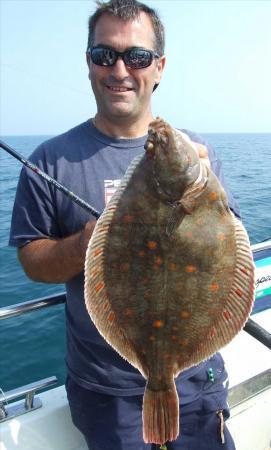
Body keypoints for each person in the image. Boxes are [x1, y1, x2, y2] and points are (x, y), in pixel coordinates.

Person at [10, 1, 240, 449]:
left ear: (158, 67)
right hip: (105, 392)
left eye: (136, 56)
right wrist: (89, 242)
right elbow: (31, 262)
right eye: (104, 55)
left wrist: (208, 186)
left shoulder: (202, 155)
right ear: (89, 64)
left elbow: (229, 249)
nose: (119, 69)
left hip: (198, 382)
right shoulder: (47, 161)